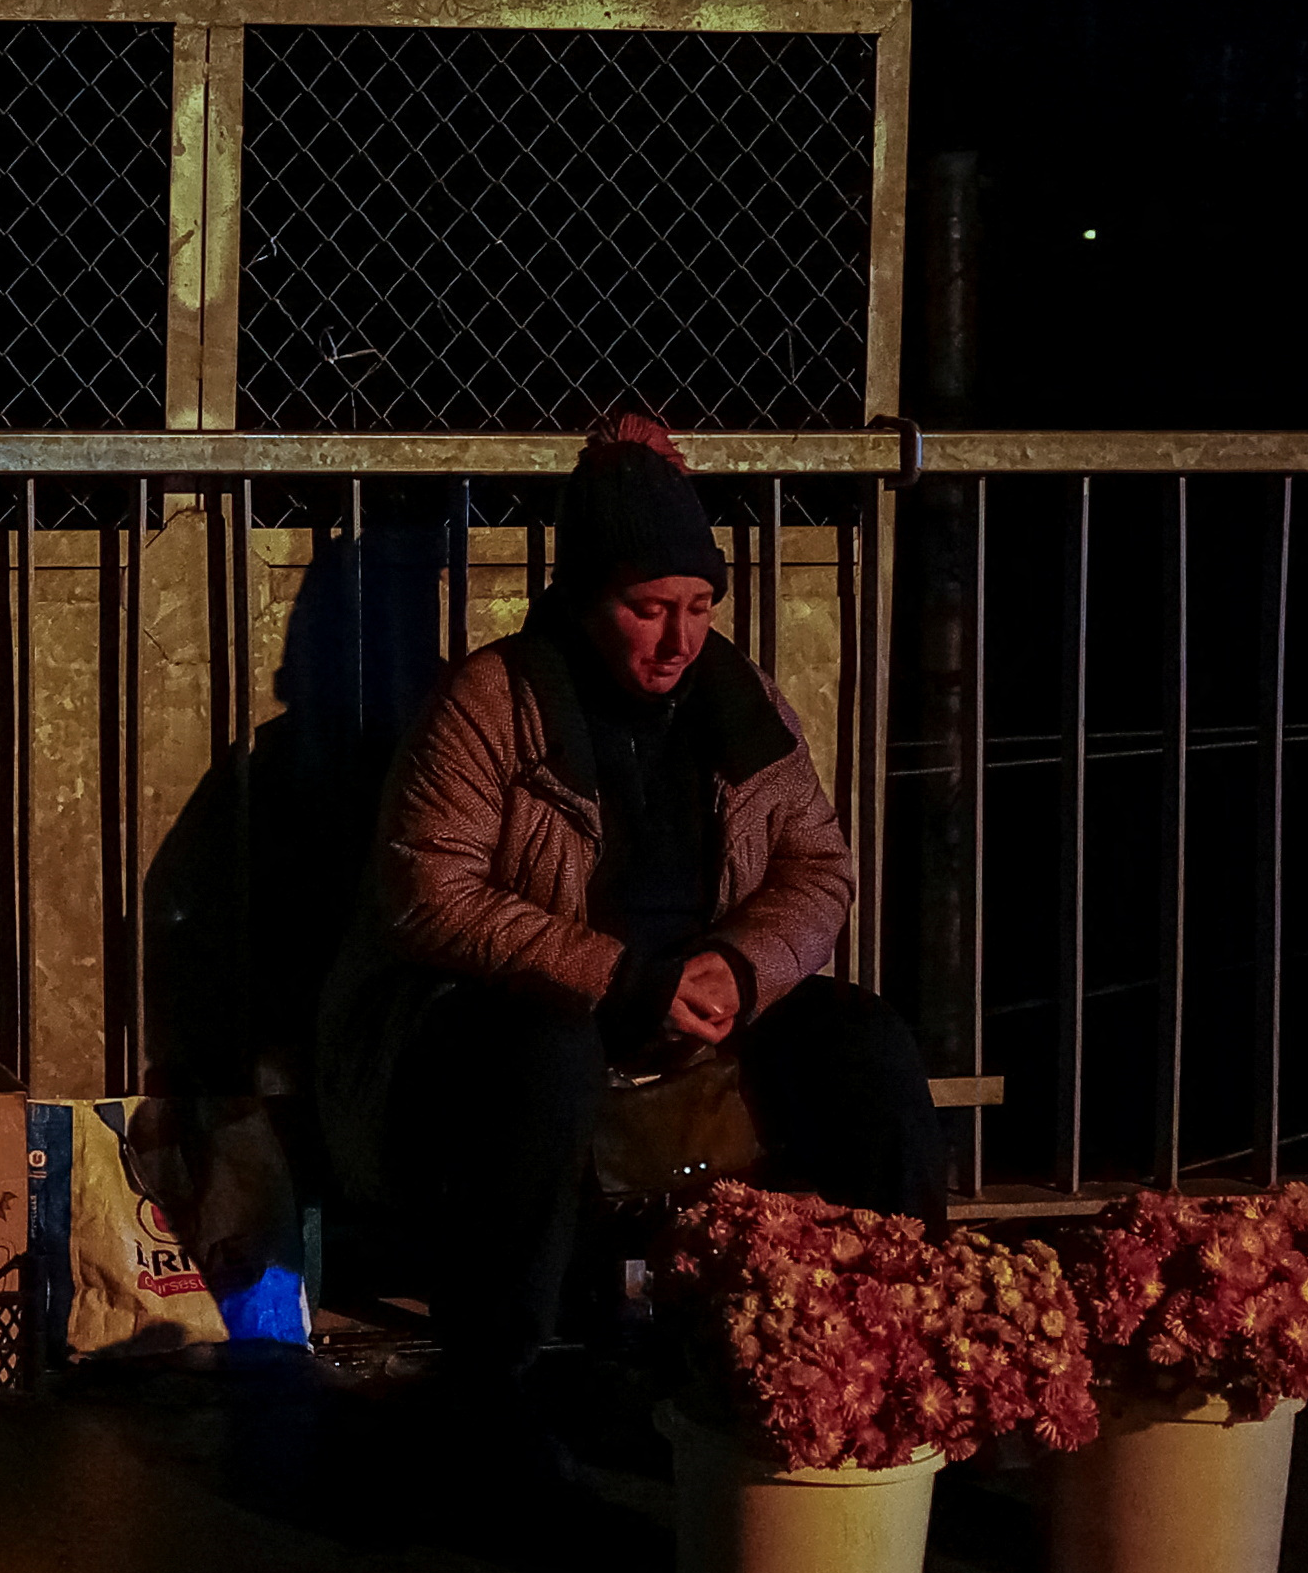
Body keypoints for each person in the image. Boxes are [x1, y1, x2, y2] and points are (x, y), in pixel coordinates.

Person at [316, 413, 946, 1440]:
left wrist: (739, 970)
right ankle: (496, 1389)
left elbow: (815, 864)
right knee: (543, 1051)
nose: (678, 638)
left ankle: (909, 1347)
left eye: (698, 606)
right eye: (648, 608)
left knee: (857, 1039)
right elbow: (427, 892)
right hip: (507, 1019)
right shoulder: (492, 699)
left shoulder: (736, 698)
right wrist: (621, 977)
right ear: (585, 597)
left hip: (689, 1001)